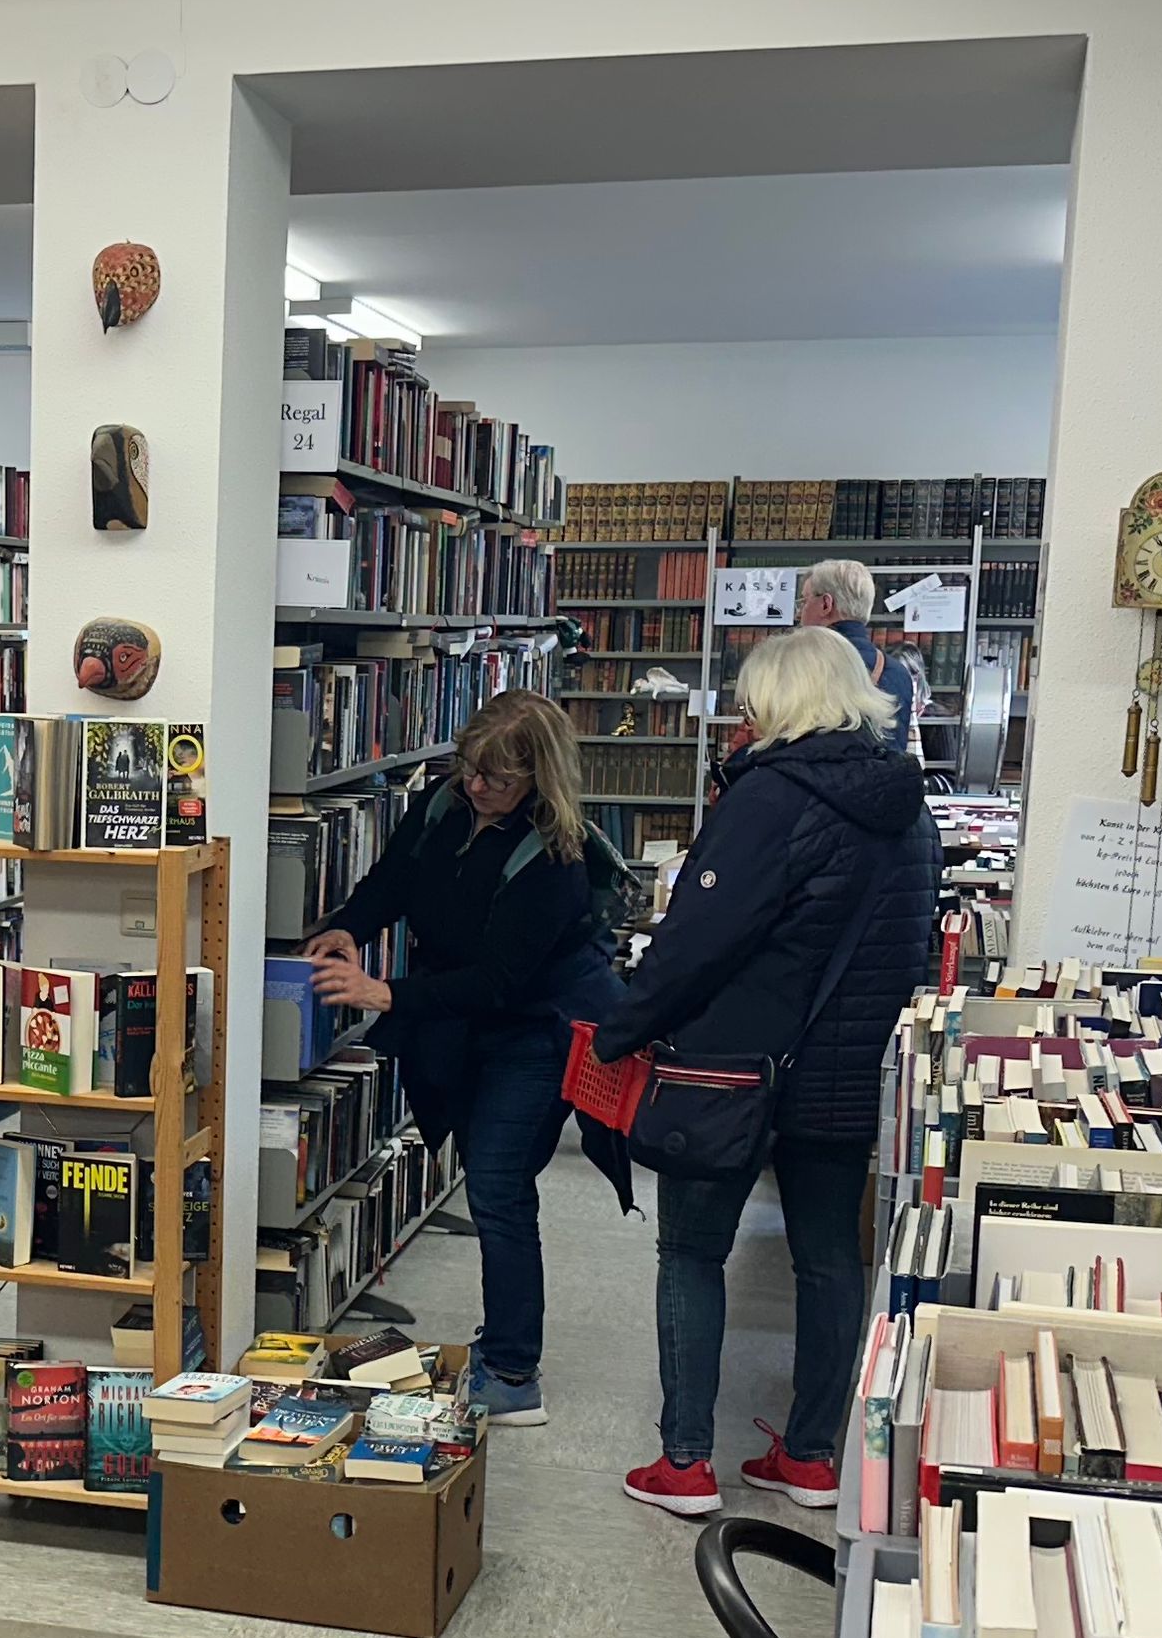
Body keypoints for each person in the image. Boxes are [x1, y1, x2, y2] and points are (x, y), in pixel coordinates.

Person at [596, 626, 936, 1517]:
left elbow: (698, 945)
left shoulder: (769, 799)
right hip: (847, 1073)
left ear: (776, 703)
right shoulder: (909, 807)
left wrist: (621, 1027)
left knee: (692, 1252)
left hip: (733, 1074)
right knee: (829, 1259)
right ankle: (817, 1457)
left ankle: (687, 1463)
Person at [303, 688, 624, 1425]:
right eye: (471, 768)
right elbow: (394, 878)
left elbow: (500, 983)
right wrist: (351, 926)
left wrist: (386, 995)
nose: (477, 786)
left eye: (497, 779)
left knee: (500, 1189)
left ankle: (514, 1372)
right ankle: (502, 1349)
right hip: (461, 1024)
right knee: (489, 1177)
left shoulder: (556, 858)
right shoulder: (447, 801)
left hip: (531, 1032)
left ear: (538, 779)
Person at [797, 558, 925, 753]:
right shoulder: (900, 673)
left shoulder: (802, 666)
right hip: (882, 782)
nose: (800, 614)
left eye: (804, 601)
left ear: (826, 604)